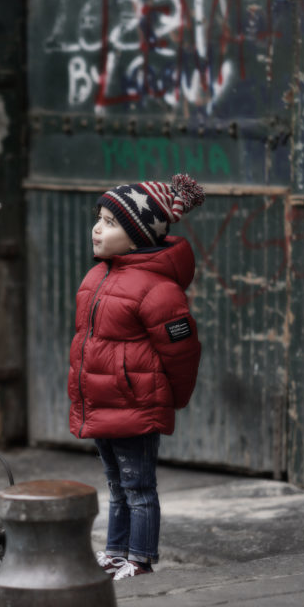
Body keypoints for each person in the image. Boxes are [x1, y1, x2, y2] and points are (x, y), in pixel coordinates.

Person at [67, 174, 205, 580]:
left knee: (139, 488)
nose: (97, 228)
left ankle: (140, 559)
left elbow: (182, 352)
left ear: (138, 236)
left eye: (110, 222)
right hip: (102, 401)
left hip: (136, 403)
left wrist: (169, 400)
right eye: (99, 218)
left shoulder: (159, 290)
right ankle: (115, 552)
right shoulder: (96, 277)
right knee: (116, 485)